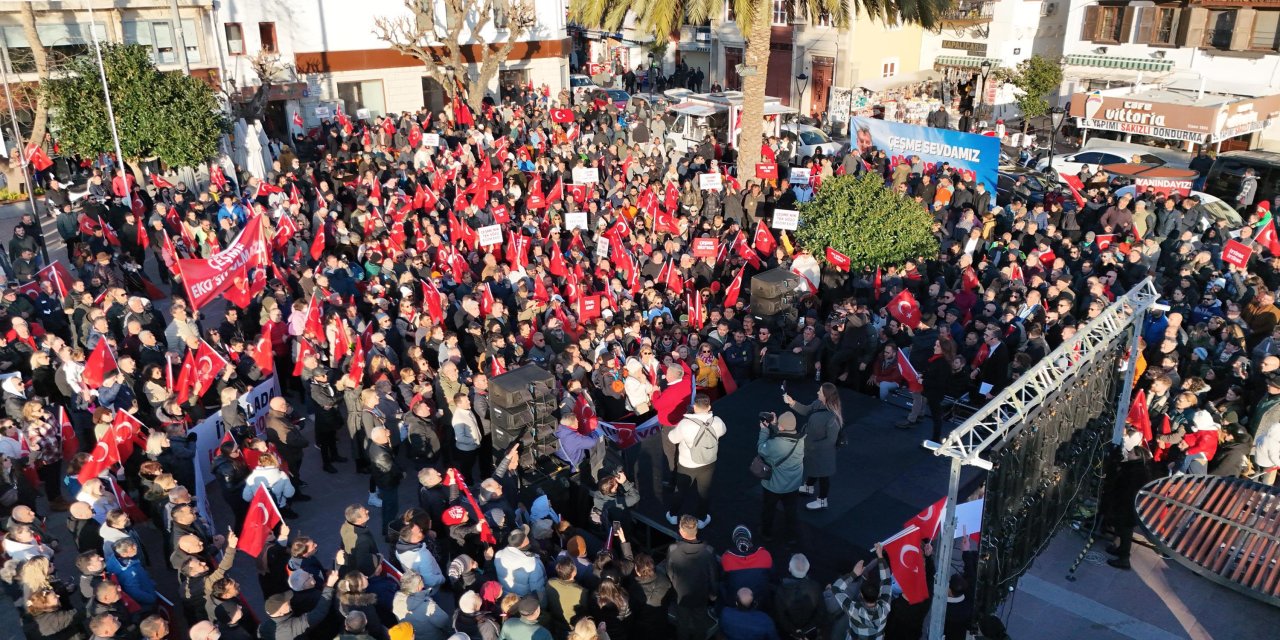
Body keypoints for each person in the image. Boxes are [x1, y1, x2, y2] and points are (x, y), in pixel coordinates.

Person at [665, 393, 726, 528]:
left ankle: (673, 515)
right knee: (704, 491)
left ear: (694, 407)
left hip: (687, 465)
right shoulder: (717, 421)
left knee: (680, 491)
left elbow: (672, 438)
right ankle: (702, 518)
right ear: (709, 406)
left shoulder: (685, 424)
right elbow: (723, 432)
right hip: (709, 463)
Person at [783, 383, 842, 510]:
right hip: (813, 446)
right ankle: (809, 487)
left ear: (826, 396)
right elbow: (806, 410)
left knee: (823, 475)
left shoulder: (833, 418)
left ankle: (822, 500)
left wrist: (811, 445)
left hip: (823, 451)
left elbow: (831, 441)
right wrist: (792, 402)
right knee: (814, 467)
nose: (817, 393)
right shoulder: (818, 403)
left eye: (820, 392)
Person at [665, 515, 718, 640]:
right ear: (696, 530)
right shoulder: (708, 551)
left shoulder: (673, 549)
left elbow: (669, 571)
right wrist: (713, 593)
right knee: (700, 623)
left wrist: (675, 585)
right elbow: (713, 576)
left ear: (682, 531)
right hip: (701, 595)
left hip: (681, 595)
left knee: (682, 623)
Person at [756, 412, 804, 542]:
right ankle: (791, 537)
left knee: (769, 510)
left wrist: (765, 431)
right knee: (791, 511)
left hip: (773, 486)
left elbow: (761, 449)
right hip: (793, 485)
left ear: (782, 427)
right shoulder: (802, 440)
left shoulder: (774, 444)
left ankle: (766, 534)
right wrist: (776, 425)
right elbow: (785, 434)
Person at [829, 544, 892, 640]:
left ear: (861, 595)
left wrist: (854, 574)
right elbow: (886, 579)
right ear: (879, 594)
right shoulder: (885, 607)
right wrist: (880, 555)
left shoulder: (853, 609)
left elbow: (836, 588)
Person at [368, 426, 405, 533]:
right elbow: (392, 469)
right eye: (385, 433)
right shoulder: (381, 454)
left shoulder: (375, 446)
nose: (388, 433)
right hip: (388, 484)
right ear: (379, 438)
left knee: (387, 506)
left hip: (383, 482)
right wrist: (402, 474)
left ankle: (387, 528)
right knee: (392, 508)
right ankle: (390, 531)